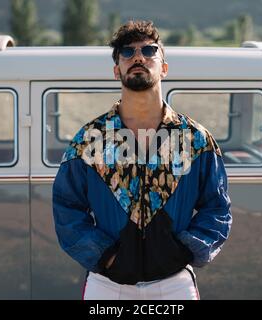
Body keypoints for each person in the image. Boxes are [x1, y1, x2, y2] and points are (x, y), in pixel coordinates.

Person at [52, 20, 232, 300]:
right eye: (127, 52)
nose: (138, 57)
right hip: (108, 286)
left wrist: (184, 249)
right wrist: (106, 255)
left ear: (164, 68)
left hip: (174, 284)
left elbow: (217, 207)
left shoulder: (195, 140)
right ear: (116, 70)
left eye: (149, 51)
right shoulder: (89, 140)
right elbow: (67, 207)